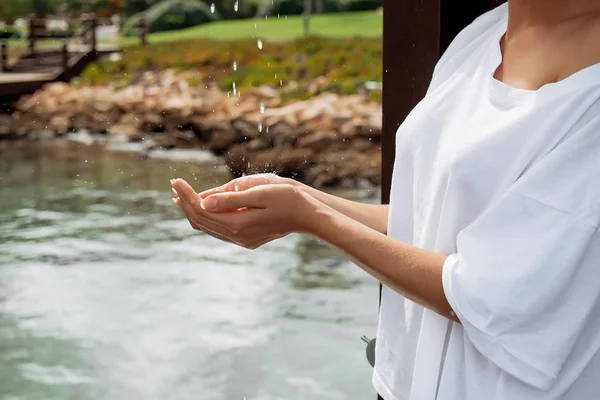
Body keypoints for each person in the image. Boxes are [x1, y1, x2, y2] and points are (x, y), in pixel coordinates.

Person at [171, 0, 600, 398]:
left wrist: (312, 219)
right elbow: (433, 220)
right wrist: (300, 197)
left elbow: (494, 295)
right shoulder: (482, 35)